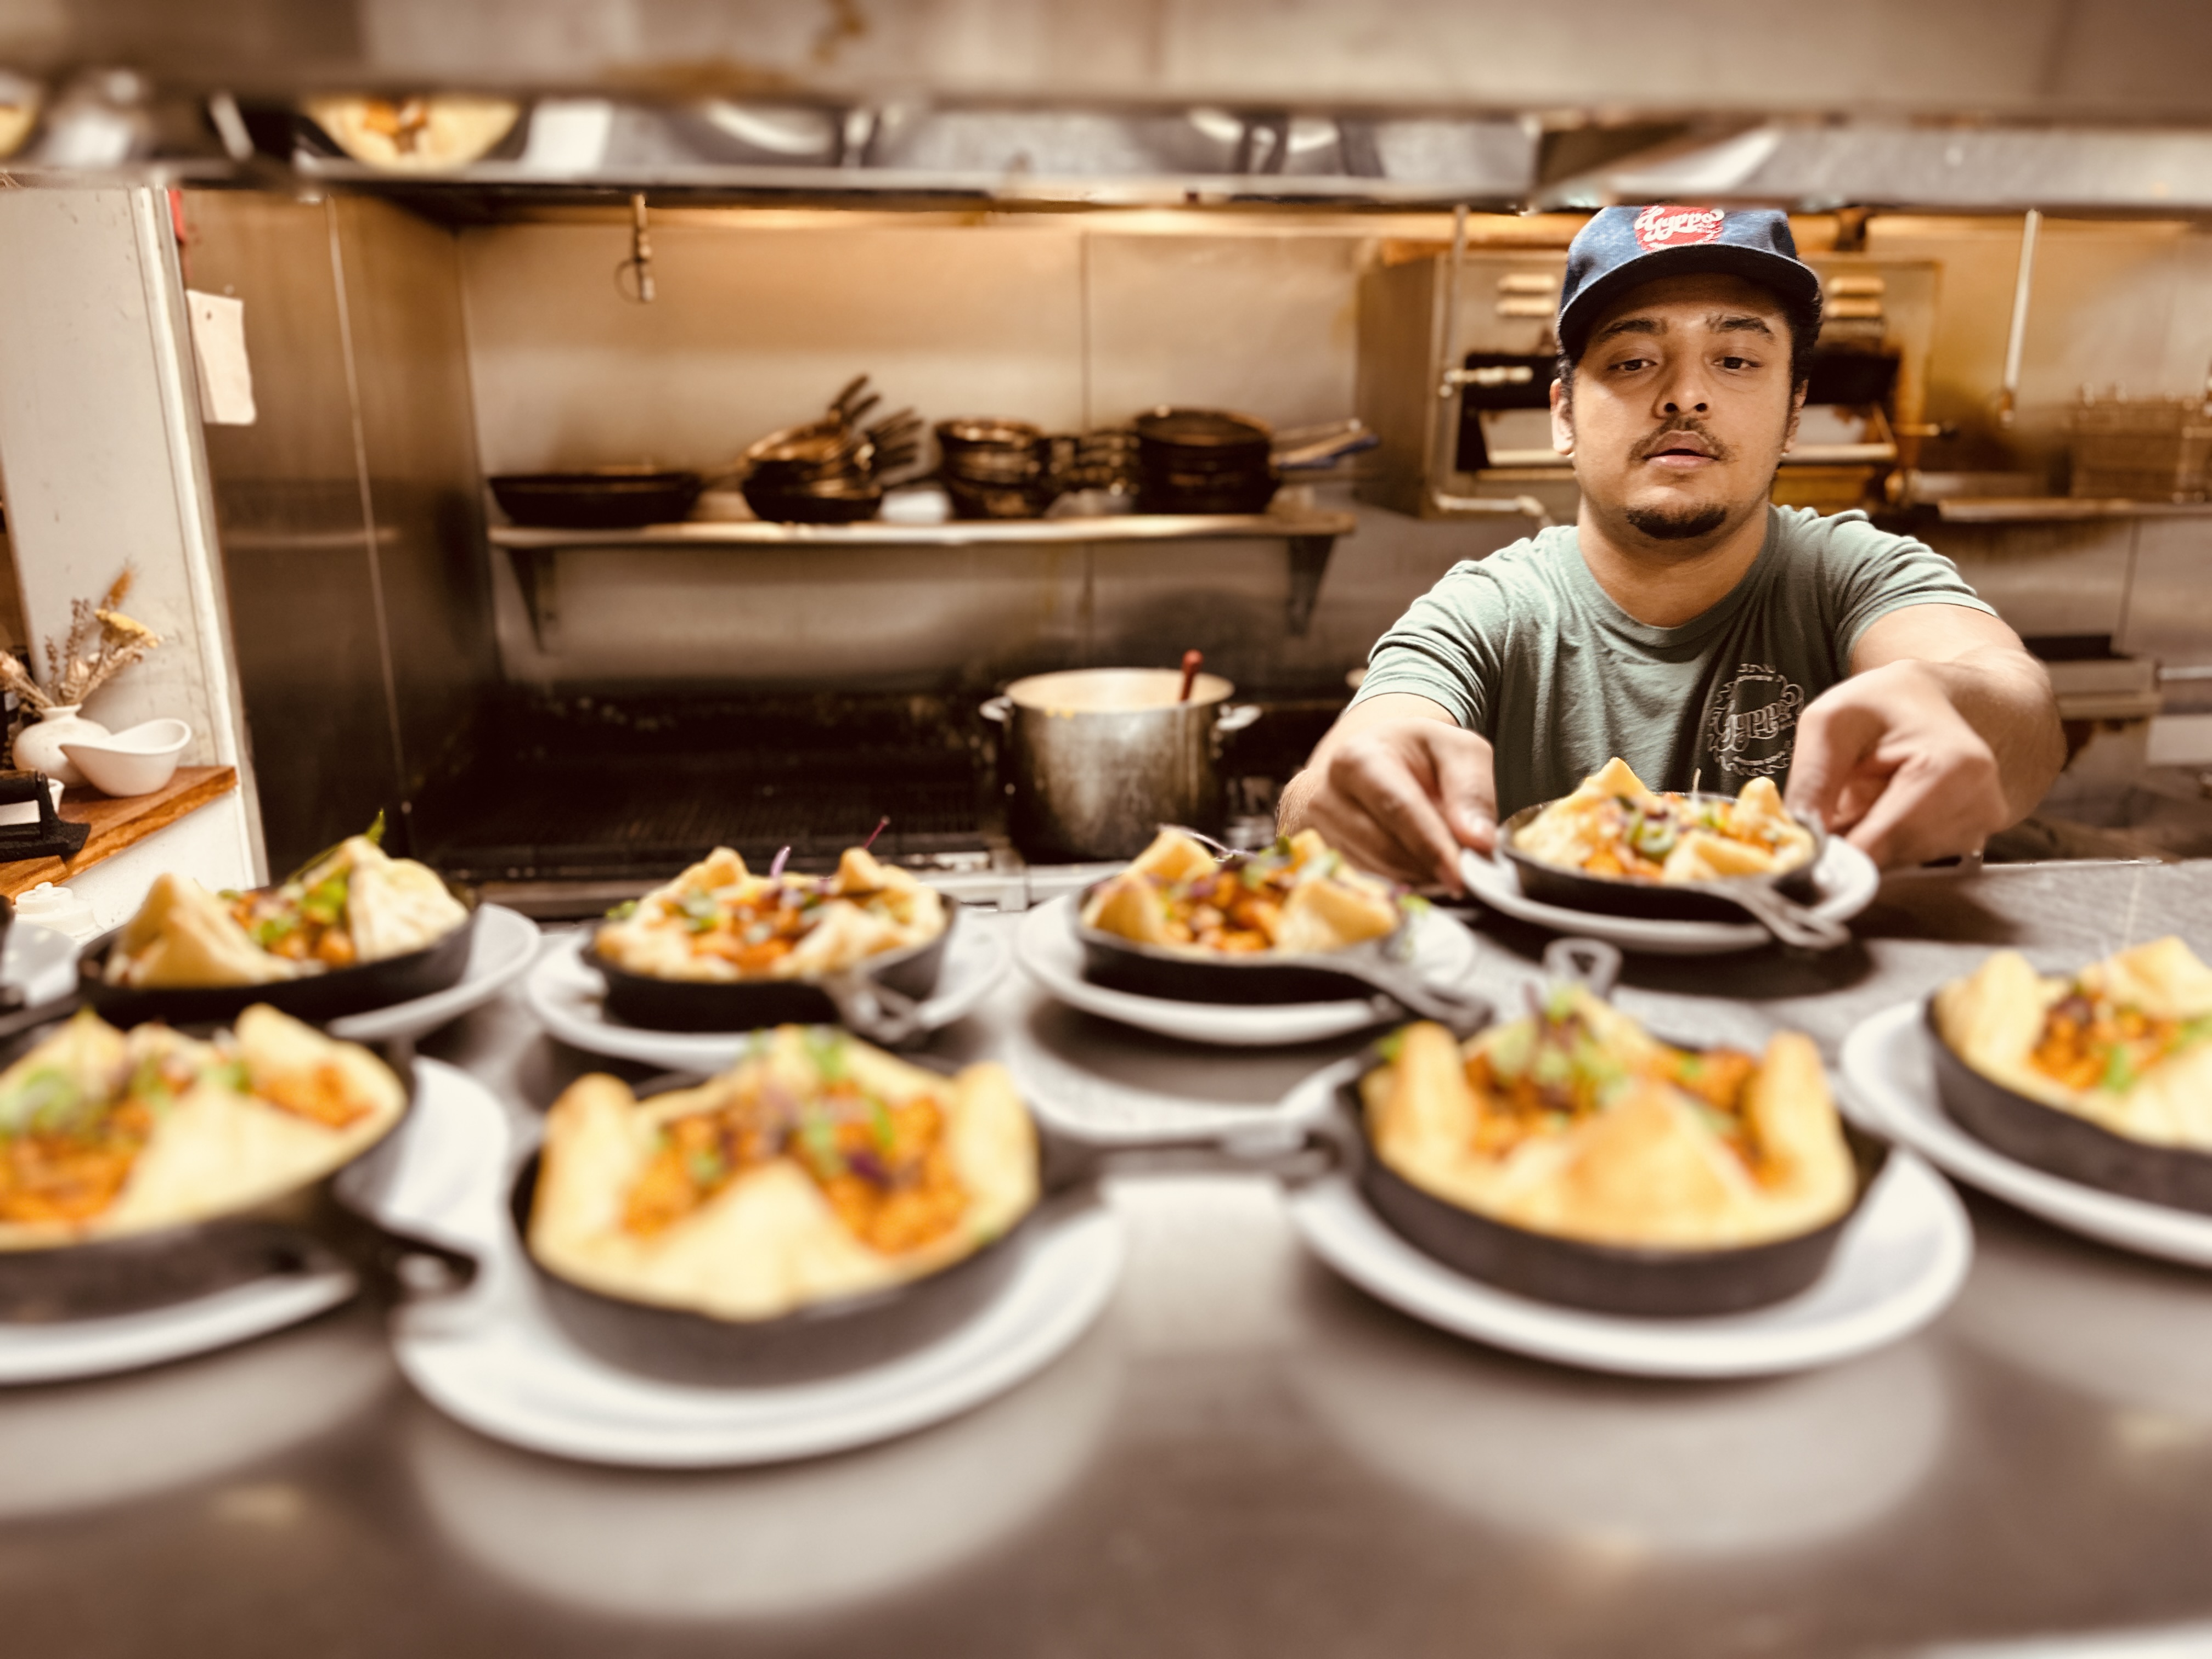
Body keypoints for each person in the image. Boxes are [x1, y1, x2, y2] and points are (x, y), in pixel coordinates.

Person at [1279, 204, 2065, 890]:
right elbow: (1341, 770)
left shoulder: (1854, 573)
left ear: (1794, 413)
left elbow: (2014, 701)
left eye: (1735, 361)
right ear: (1562, 415)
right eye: (1632, 361)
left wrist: (1964, 711)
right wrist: (1342, 795)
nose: (1685, 395)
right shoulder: (1488, 611)